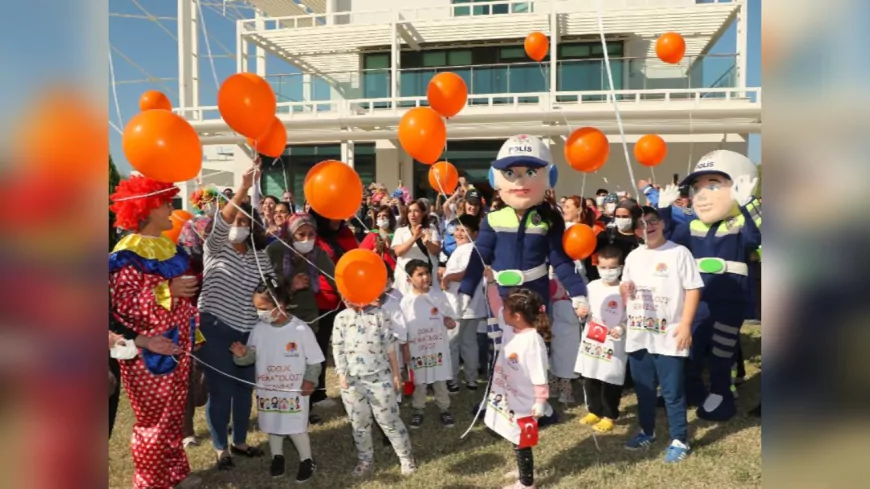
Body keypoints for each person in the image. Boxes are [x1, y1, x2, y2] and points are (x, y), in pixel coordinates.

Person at [108, 175, 201, 489]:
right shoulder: (126, 254)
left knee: (174, 417)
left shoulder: (165, 246)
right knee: (154, 423)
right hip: (149, 353)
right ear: (146, 209)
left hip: (177, 346)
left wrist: (193, 332)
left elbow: (182, 300)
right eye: (164, 202)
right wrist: (168, 290)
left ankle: (173, 474)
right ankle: (149, 483)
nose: (171, 206)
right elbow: (125, 307)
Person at [458, 135, 588, 354]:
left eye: (530, 173)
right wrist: (465, 292)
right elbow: (479, 258)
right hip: (502, 295)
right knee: (503, 352)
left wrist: (577, 293)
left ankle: (537, 387)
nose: (520, 182)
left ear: (549, 177)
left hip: (536, 293)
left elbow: (560, 259)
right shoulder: (493, 218)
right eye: (510, 174)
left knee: (535, 348)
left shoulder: (548, 219)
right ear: (496, 179)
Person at [671, 150, 761, 421]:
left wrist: (749, 204)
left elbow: (759, 234)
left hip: (729, 298)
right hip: (698, 297)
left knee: (723, 350)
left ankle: (722, 393)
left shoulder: (741, 222)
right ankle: (692, 389)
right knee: (692, 344)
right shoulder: (691, 225)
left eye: (713, 186)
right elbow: (669, 242)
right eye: (697, 188)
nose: (702, 195)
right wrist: (664, 211)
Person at [197, 165, 272, 469]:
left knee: (244, 387)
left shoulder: (260, 255)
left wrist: (286, 289)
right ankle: (220, 447)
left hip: (249, 331)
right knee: (222, 388)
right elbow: (222, 220)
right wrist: (243, 188)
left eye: (246, 221)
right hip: (216, 328)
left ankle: (239, 441)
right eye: (237, 220)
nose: (240, 224)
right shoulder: (215, 247)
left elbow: (269, 291)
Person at [620, 206, 703, 463]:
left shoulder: (679, 253)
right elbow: (626, 293)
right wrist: (626, 290)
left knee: (672, 391)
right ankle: (647, 431)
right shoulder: (633, 256)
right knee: (644, 390)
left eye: (652, 221)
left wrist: (686, 324)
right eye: (641, 224)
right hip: (639, 334)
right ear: (635, 231)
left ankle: (679, 439)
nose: (648, 227)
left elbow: (693, 289)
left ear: (662, 223)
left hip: (670, 334)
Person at [229, 279, 322, 483]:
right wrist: (242, 353)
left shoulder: (300, 330)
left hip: (293, 390)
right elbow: (250, 356)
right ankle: (277, 457)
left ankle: (307, 460)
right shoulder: (259, 329)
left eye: (263, 308)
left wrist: (310, 381)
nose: (259, 313)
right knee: (273, 424)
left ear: (280, 304)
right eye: (256, 309)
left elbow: (315, 361)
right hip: (268, 390)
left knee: (295, 425)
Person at [333, 292, 417, 477]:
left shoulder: (380, 315)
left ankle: (406, 458)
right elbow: (337, 347)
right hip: (353, 382)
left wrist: (396, 374)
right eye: (344, 296)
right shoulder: (341, 318)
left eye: (351, 294)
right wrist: (341, 374)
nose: (347, 299)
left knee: (389, 420)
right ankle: (365, 460)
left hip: (380, 378)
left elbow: (390, 347)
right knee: (359, 423)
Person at [484, 288, 553, 489]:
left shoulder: (532, 340)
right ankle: (523, 470)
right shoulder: (509, 328)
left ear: (517, 316)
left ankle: (526, 482)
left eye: (506, 310)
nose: (501, 312)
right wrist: (489, 283)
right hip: (509, 395)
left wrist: (540, 401)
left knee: (522, 439)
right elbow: (496, 305)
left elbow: (540, 374)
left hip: (524, 401)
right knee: (514, 434)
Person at [308, 209, 359, 409]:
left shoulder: (347, 234)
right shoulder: (314, 236)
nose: (337, 216)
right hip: (323, 300)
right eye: (332, 212)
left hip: (348, 299)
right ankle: (317, 393)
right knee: (319, 348)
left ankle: (354, 387)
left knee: (351, 345)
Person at [400, 259, 458, 429]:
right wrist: (405, 350)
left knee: (440, 379)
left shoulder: (438, 295)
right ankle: (418, 409)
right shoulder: (406, 302)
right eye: (419, 274)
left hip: (437, 347)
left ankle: (444, 408)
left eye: (427, 273)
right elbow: (403, 329)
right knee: (420, 380)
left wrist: (449, 322)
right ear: (409, 279)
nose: (425, 277)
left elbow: (449, 318)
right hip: (418, 349)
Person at [575, 246, 628, 433]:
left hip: (613, 343)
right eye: (603, 267)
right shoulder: (591, 286)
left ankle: (610, 415)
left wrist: (621, 328)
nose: (608, 272)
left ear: (621, 267)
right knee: (590, 376)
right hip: (592, 340)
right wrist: (581, 311)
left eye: (612, 267)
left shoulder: (625, 290)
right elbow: (583, 307)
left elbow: (630, 318)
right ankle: (594, 410)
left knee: (610, 379)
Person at [441, 214, 486, 393]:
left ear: (475, 234)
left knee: (453, 343)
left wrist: (448, 277)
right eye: (457, 229)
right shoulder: (464, 249)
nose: (459, 233)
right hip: (470, 305)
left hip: (461, 304)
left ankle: (452, 380)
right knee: (469, 342)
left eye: (464, 230)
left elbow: (468, 272)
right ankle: (471, 379)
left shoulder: (468, 249)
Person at [392, 199, 442, 296]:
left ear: (423, 213)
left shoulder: (431, 228)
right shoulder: (400, 231)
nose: (412, 214)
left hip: (426, 275)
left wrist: (427, 242)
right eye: (409, 211)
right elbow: (398, 252)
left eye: (416, 211)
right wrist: (414, 237)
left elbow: (436, 250)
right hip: (406, 277)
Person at [547, 273, 582, 405]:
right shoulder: (566, 304)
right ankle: (566, 394)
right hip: (569, 339)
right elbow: (573, 320)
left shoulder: (555, 303)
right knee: (567, 368)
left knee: (555, 365)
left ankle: (553, 389)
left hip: (557, 334)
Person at [359, 205, 398, 271]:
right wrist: (376, 249)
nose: (381, 218)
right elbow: (362, 255)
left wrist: (389, 248)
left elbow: (400, 254)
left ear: (390, 218)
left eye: (384, 215)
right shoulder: (373, 234)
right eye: (378, 216)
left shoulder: (396, 234)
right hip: (375, 270)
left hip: (393, 270)